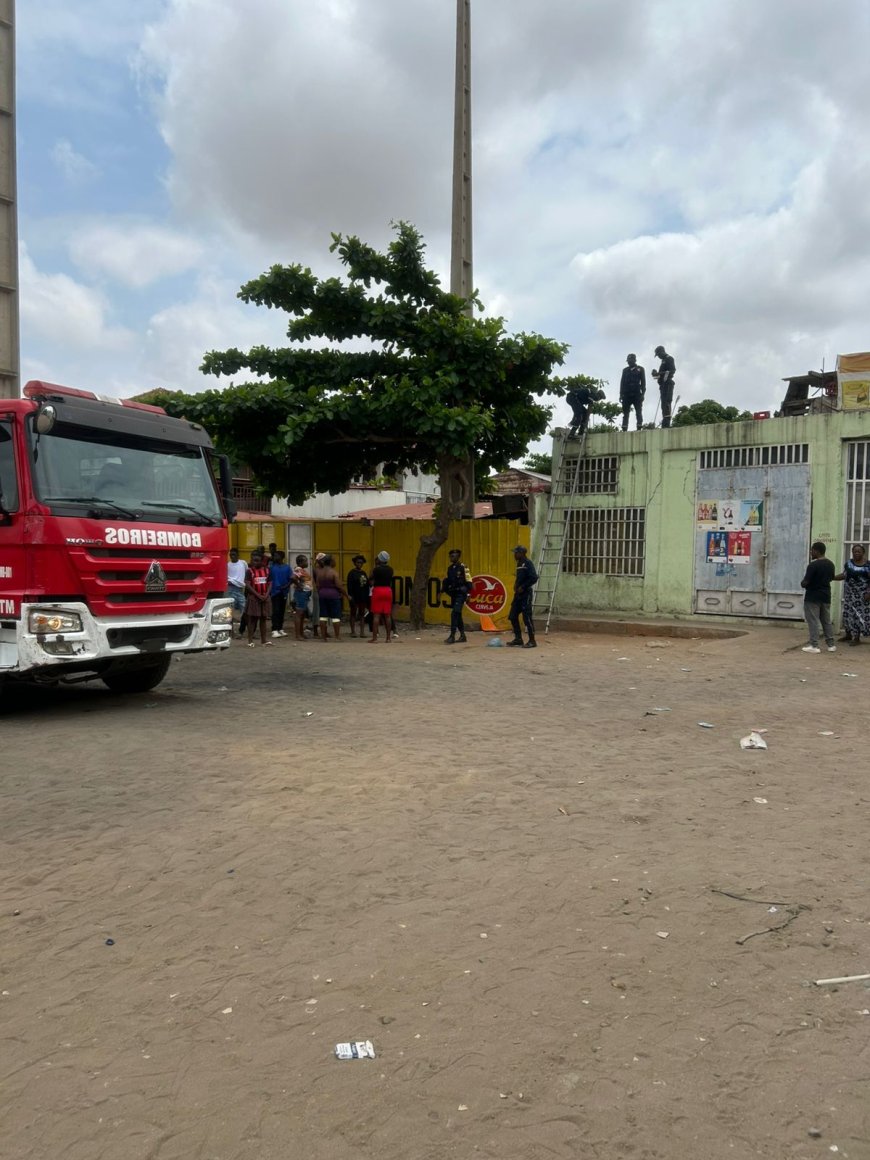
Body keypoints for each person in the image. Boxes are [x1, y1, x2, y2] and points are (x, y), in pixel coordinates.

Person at [800, 541, 836, 654]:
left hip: (812, 597)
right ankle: (831, 645)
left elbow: (805, 582)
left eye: (812, 550)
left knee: (813, 621)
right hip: (826, 596)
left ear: (816, 551)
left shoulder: (813, 565)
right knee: (826, 621)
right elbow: (831, 578)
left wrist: (803, 584)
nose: (811, 552)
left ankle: (814, 645)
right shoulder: (831, 564)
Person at [835, 543, 870, 646]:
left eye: (859, 551)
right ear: (852, 552)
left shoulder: (868, 565)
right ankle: (848, 634)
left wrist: (869, 592)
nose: (857, 553)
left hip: (862, 596)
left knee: (858, 615)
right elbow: (844, 575)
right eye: (855, 551)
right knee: (847, 614)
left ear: (863, 553)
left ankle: (857, 638)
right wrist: (832, 577)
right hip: (849, 594)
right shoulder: (849, 563)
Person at [507, 545, 538, 649]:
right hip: (518, 595)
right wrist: (516, 585)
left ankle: (532, 641)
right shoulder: (519, 563)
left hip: (526, 594)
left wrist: (523, 587)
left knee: (527, 617)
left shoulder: (528, 563)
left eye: (516, 553)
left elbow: (534, 577)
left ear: (521, 553)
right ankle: (518, 639)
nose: (514, 555)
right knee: (512, 616)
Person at [315, 553, 347, 640]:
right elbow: (339, 586)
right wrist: (346, 595)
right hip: (333, 596)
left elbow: (317, 585)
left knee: (323, 616)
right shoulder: (333, 572)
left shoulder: (320, 573)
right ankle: (337, 636)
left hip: (322, 595)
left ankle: (323, 636)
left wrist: (320, 593)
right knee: (336, 617)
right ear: (331, 562)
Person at [244, 550, 273, 647]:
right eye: (253, 560)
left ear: (262, 561)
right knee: (252, 619)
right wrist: (258, 595)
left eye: (257, 561)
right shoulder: (249, 571)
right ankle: (250, 641)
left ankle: (264, 640)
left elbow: (270, 584)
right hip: (254, 598)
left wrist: (266, 595)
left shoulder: (267, 570)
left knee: (263, 619)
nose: (255, 562)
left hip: (265, 597)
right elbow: (248, 585)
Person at [443, 547, 471, 644]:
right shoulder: (450, 568)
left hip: (461, 594)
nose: (451, 557)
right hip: (454, 594)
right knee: (458, 614)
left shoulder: (464, 567)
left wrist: (468, 594)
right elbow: (449, 581)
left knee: (454, 613)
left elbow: (469, 580)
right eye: (450, 556)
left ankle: (452, 636)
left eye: (454, 556)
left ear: (458, 557)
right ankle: (463, 635)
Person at [368, 551, 394, 643]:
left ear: (380, 559)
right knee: (387, 615)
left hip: (378, 590)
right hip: (388, 590)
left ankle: (375, 638)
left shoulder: (376, 570)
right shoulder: (390, 569)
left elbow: (370, 578)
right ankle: (388, 638)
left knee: (376, 615)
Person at [652, 345, 676, 428]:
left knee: (667, 402)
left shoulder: (669, 358)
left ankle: (667, 421)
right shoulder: (663, 361)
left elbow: (672, 371)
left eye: (658, 355)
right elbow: (661, 376)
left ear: (662, 352)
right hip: (663, 385)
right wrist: (655, 374)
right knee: (663, 404)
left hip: (668, 383)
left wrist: (659, 373)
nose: (658, 357)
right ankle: (664, 421)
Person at [619, 354, 646, 432]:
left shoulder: (640, 369)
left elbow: (643, 382)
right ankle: (624, 427)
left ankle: (639, 426)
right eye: (628, 361)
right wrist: (621, 394)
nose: (629, 363)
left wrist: (643, 394)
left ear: (634, 360)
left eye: (630, 361)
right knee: (625, 412)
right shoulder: (625, 370)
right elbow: (622, 383)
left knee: (638, 411)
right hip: (626, 394)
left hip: (637, 393)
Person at [269, 550, 292, 637]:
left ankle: (280, 628)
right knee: (276, 610)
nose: (274, 558)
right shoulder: (271, 567)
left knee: (282, 611)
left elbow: (291, 579)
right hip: (275, 591)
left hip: (284, 591)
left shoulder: (287, 567)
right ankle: (274, 629)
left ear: (282, 557)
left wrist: (286, 586)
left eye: (276, 556)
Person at [346, 554, 370, 637]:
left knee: (362, 614)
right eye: (358, 562)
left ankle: (362, 632)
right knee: (353, 613)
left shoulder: (364, 573)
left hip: (362, 597)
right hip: (354, 596)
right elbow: (349, 586)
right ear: (355, 563)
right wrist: (350, 596)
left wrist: (367, 597)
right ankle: (353, 631)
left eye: (361, 562)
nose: (359, 564)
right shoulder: (351, 573)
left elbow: (367, 585)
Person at [226, 547, 247, 633]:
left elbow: (246, 572)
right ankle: (230, 631)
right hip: (230, 588)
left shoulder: (243, 563)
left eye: (234, 554)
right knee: (229, 611)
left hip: (240, 589)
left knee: (245, 610)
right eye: (231, 555)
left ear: (238, 555)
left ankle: (242, 630)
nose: (232, 556)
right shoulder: (228, 565)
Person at [292, 554, 313, 640]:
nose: (307, 562)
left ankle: (301, 633)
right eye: (305, 561)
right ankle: (298, 635)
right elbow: (293, 578)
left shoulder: (302, 570)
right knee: (299, 614)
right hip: (301, 594)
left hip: (305, 594)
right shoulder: (298, 569)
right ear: (300, 562)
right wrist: (299, 585)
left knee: (302, 614)